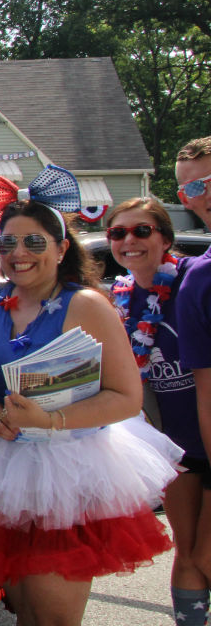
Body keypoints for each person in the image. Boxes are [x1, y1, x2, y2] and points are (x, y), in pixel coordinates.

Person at [0, 166, 180, 626]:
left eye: (34, 242)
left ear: (60, 249)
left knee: (53, 618)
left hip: (65, 477)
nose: (18, 254)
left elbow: (125, 398)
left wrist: (49, 421)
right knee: (22, 610)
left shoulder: (87, 306)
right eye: (7, 243)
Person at [107, 197, 210, 625]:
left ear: (165, 238)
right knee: (187, 553)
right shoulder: (119, 301)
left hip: (209, 436)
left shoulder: (194, 282)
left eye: (142, 231)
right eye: (118, 233)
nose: (129, 240)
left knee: (207, 555)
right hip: (176, 453)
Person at [176, 136, 211, 625]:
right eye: (195, 186)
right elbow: (207, 388)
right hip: (194, 453)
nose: (206, 193)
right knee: (201, 557)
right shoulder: (200, 281)